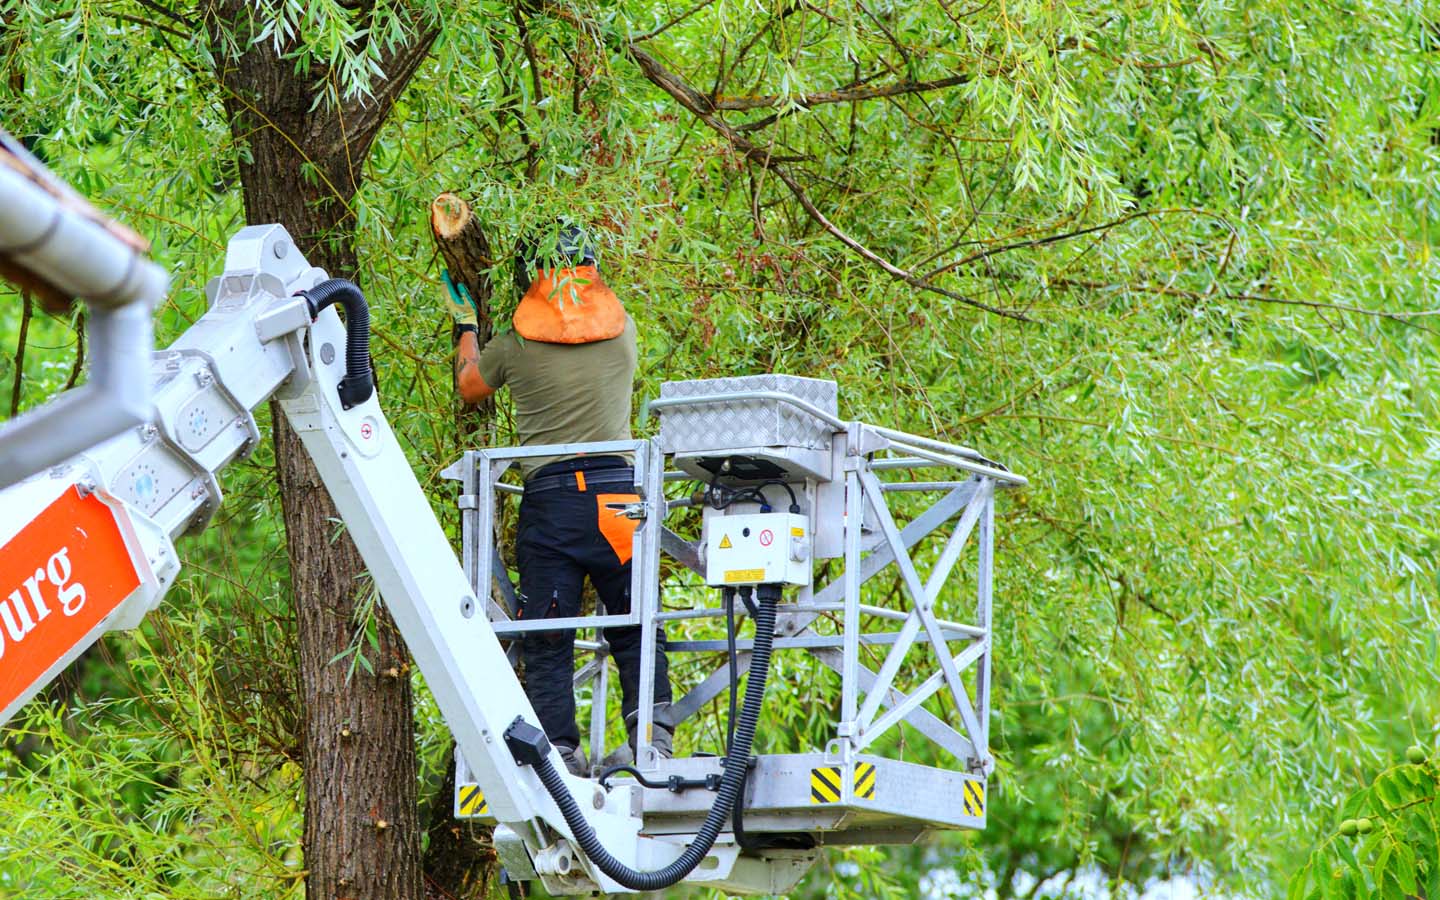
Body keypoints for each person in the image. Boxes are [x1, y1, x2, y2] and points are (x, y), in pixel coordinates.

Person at [445, 222, 673, 777]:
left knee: (548, 631)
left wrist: (467, 327)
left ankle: (561, 754)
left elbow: (470, 387)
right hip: (620, 500)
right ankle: (654, 739)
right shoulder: (624, 333)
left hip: (552, 503)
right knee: (634, 619)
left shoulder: (517, 345)